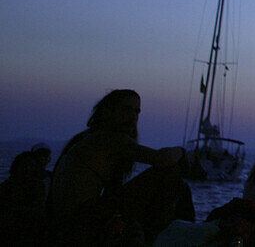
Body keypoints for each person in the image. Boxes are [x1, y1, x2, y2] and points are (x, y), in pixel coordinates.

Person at [47, 89, 193, 245]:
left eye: (136, 112)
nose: (133, 117)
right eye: (126, 110)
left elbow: (113, 192)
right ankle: (168, 235)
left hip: (72, 218)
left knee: (178, 184)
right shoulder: (109, 138)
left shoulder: (85, 137)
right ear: (108, 112)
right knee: (169, 171)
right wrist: (182, 152)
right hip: (80, 219)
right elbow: (161, 159)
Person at [0, 149, 49, 244]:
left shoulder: (39, 186)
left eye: (30, 166)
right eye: (25, 166)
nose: (27, 169)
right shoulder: (7, 186)